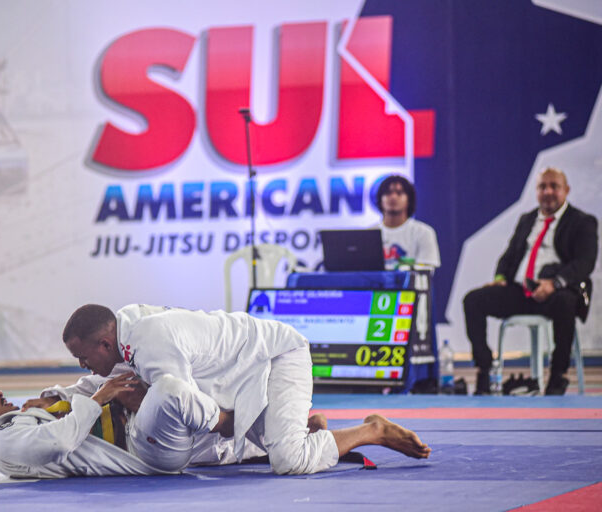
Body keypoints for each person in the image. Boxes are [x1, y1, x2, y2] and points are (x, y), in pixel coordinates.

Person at [61, 303, 431, 475]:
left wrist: (136, 401)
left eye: (82, 357)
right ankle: (303, 428)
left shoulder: (151, 343)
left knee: (289, 461)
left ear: (104, 345)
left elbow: (189, 411)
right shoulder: (125, 329)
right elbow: (101, 383)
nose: (83, 365)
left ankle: (372, 430)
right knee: (226, 438)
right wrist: (58, 396)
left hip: (276, 358)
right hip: (241, 381)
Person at [0, 371, 244, 478]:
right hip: (141, 450)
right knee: (168, 388)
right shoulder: (3, 442)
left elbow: (68, 419)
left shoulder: (13, 426)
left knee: (139, 372)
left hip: (137, 435)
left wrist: (55, 398)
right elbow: (60, 441)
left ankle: (243, 432)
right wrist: (99, 398)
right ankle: (225, 423)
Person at [463, 168, 598, 395]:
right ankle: (484, 368)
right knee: (473, 300)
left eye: (554, 186)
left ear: (566, 190)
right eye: (542, 187)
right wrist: (500, 279)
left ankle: (558, 375)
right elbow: (509, 257)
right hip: (523, 291)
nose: (548, 192)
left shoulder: (582, 222)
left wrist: (553, 284)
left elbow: (585, 263)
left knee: (565, 303)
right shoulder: (527, 220)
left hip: (559, 291)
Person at [375, 175, 441, 270]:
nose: (393, 197)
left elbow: (426, 273)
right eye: (388, 193)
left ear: (409, 200)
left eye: (399, 193)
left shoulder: (424, 232)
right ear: (380, 200)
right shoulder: (367, 234)